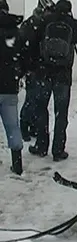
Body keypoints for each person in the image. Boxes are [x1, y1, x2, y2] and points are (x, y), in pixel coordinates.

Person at [29, 0, 77, 161]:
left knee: (41, 110)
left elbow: (32, 44)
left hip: (43, 73)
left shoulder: (45, 21)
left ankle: (41, 146)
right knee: (61, 113)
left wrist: (30, 66)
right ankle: (58, 150)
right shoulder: (74, 24)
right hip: (63, 76)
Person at [19, 3, 54, 142]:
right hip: (35, 68)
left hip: (34, 68)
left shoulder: (31, 24)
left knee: (34, 99)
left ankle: (29, 126)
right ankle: (25, 126)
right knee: (32, 99)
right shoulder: (38, 25)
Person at [0, 0, 27, 175]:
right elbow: (24, 58)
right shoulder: (16, 32)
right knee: (12, 127)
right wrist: (18, 75)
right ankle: (17, 165)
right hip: (9, 87)